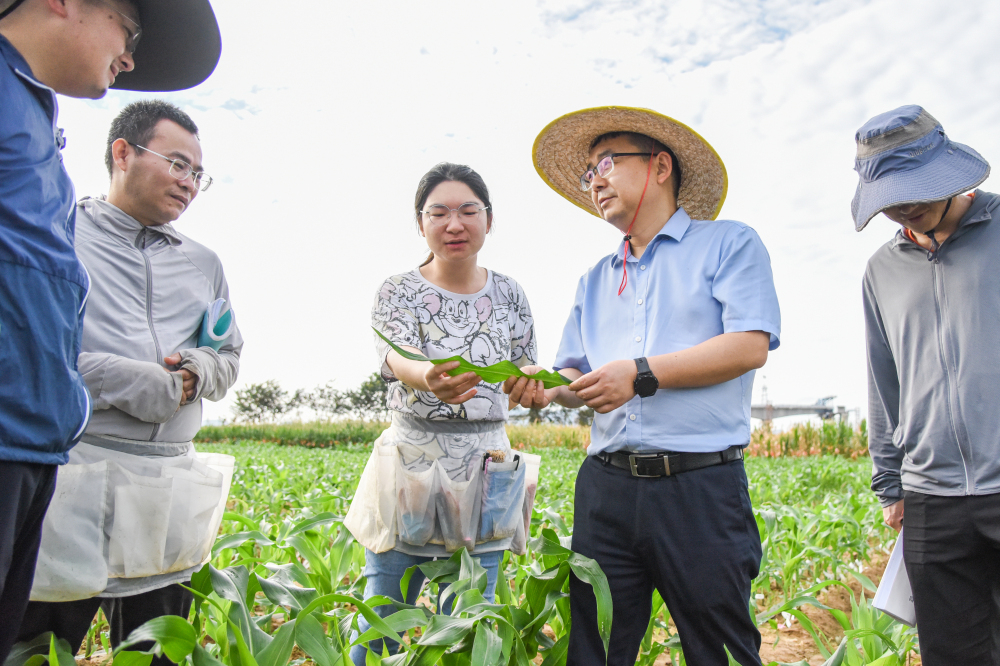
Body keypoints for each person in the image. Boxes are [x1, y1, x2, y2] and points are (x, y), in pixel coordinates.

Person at [507, 106, 781, 666]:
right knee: (597, 649)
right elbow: (571, 372)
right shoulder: (594, 278)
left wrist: (641, 374)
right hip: (606, 491)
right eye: (588, 173)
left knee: (720, 651)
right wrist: (542, 386)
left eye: (606, 161)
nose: (595, 180)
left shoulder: (729, 244)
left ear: (660, 166)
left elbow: (749, 344)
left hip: (700, 489)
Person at [0, 0, 219, 659]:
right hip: (67, 463)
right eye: (128, 31)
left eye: (196, 172)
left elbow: (227, 347)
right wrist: (133, 379)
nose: (128, 58)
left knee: (156, 638)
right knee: (41, 636)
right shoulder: (75, 218)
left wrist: (200, 371)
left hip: (90, 461)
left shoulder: (204, 265)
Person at [344, 163, 538, 664]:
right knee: (382, 617)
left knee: (474, 620)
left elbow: (522, 365)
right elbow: (394, 355)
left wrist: (532, 384)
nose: (455, 224)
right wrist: (426, 374)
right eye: (440, 212)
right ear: (420, 223)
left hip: (488, 466)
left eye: (469, 211)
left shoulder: (511, 292)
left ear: (489, 221)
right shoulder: (398, 289)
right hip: (411, 461)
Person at [854, 105, 999, 665]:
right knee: (950, 654)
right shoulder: (880, 271)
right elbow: (881, 376)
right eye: (890, 198)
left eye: (916, 189)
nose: (904, 207)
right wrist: (890, 482)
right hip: (932, 499)